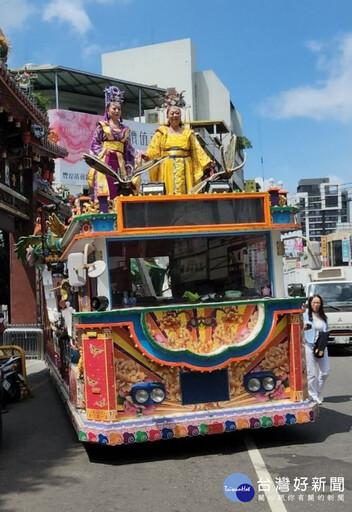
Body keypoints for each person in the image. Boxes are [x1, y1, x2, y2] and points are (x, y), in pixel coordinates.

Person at [145, 105, 211, 195]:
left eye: (177, 113)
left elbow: (197, 149)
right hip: (167, 166)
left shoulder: (188, 133)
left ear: (181, 116)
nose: (174, 116)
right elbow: (154, 150)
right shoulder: (161, 132)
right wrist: (147, 156)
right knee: (168, 192)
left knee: (186, 192)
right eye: (172, 113)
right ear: (167, 116)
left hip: (185, 167)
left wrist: (206, 160)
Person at [88, 86, 136, 200]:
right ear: (108, 111)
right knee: (105, 187)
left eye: (119, 109)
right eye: (114, 109)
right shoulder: (102, 126)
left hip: (120, 163)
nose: (117, 111)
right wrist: (105, 150)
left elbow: (129, 149)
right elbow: (94, 144)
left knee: (120, 188)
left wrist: (139, 154)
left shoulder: (125, 129)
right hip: (106, 161)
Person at [303, 294, 330, 404]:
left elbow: (326, 330)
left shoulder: (323, 316)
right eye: (314, 302)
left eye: (318, 302)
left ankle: (318, 392)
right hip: (309, 345)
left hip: (321, 346)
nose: (316, 305)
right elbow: (298, 327)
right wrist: (303, 328)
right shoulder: (304, 315)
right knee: (312, 373)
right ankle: (313, 395)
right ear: (310, 303)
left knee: (325, 371)